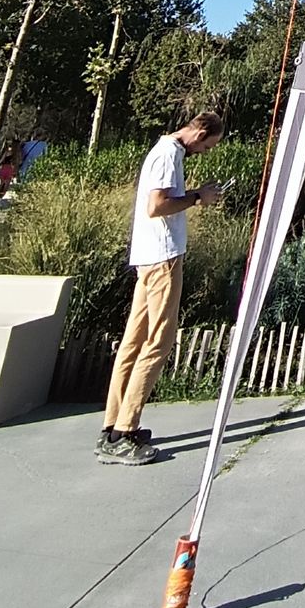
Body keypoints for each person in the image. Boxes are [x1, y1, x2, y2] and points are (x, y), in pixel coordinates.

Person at [97, 111, 225, 465]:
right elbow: (157, 206)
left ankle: (113, 426)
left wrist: (195, 195)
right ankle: (125, 432)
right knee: (158, 342)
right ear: (199, 132)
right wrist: (198, 197)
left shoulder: (166, 151)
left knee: (134, 341)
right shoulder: (169, 154)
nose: (206, 152)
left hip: (149, 258)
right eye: (208, 145)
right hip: (163, 258)